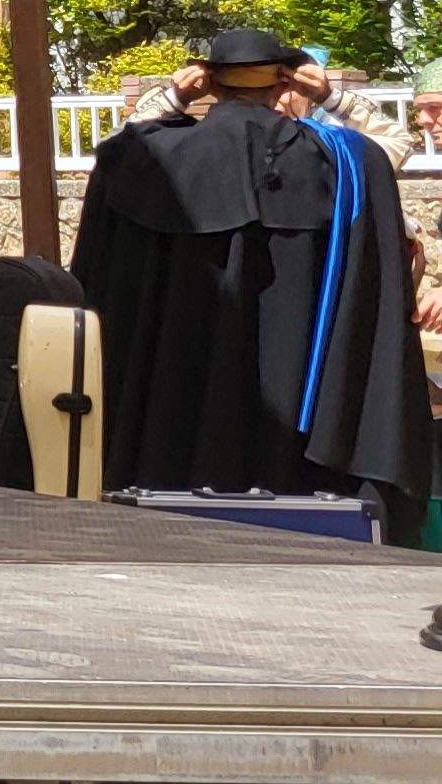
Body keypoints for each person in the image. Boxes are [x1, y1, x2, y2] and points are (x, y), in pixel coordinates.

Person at [71, 27, 431, 519]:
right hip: (296, 424)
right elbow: (390, 144)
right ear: (283, 82)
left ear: (209, 82)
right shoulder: (338, 162)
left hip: (173, 409)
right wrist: (329, 95)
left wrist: (173, 96)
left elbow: (112, 147)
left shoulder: (155, 157)